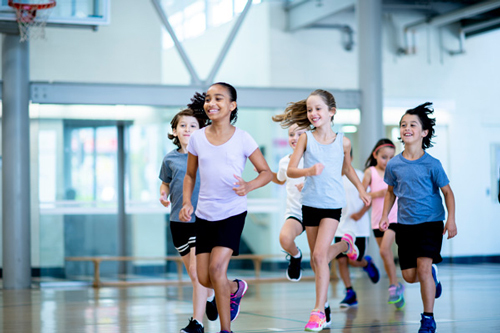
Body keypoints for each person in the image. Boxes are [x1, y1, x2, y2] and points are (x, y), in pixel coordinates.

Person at [179, 82, 273, 333]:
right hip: (204, 214)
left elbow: (266, 173)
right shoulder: (197, 138)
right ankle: (235, 288)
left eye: (218, 99)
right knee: (204, 277)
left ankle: (225, 330)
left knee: (217, 269)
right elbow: (190, 175)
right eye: (208, 99)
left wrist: (249, 185)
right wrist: (187, 201)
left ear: (232, 105)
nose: (211, 103)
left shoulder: (243, 138)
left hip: (232, 212)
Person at [278, 89, 371, 332]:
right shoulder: (306, 138)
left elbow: (348, 169)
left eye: (318, 108)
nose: (313, 113)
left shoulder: (344, 141)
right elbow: (291, 170)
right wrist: (309, 172)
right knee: (319, 261)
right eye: (310, 109)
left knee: (319, 256)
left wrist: (361, 189)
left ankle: (318, 311)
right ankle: (345, 246)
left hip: (332, 205)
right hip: (309, 204)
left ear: (331, 111)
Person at [379, 102, 457, 333]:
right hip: (405, 225)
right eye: (403, 124)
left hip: (431, 224)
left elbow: (448, 193)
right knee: (410, 276)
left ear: (424, 132)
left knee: (422, 269)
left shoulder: (432, 164)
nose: (407, 128)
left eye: (413, 124)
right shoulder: (394, 164)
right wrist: (385, 215)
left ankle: (428, 318)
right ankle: (432, 274)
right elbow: (391, 192)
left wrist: (451, 220)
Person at [159, 108, 217, 333]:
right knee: (197, 275)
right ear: (174, 131)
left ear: (200, 130)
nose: (187, 129)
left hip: (202, 220)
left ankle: (197, 323)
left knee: (195, 272)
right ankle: (210, 296)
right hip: (177, 222)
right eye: (183, 126)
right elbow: (165, 182)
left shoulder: (205, 155)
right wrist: (163, 194)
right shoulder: (170, 159)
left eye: (193, 126)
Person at [362, 138, 405, 308]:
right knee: (385, 254)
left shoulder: (395, 172)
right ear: (375, 155)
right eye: (384, 157)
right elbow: (362, 194)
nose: (387, 161)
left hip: (394, 217)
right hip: (377, 221)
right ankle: (397, 287)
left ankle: (393, 286)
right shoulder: (370, 172)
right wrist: (376, 194)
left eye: (391, 158)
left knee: (384, 249)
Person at [334, 153, 380, 308]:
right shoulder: (332, 177)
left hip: (358, 228)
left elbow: (369, 196)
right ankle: (349, 292)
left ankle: (366, 263)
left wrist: (360, 214)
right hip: (339, 226)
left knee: (353, 261)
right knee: (341, 260)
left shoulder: (360, 175)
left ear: (351, 158)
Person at [269, 123, 308, 281]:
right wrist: (264, 171)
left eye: (300, 134)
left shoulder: (315, 158)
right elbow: (280, 179)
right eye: (292, 134)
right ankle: (296, 256)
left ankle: (323, 303)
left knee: (320, 257)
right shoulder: (285, 162)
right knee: (285, 239)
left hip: (317, 211)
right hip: (296, 213)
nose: (295, 138)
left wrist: (308, 184)